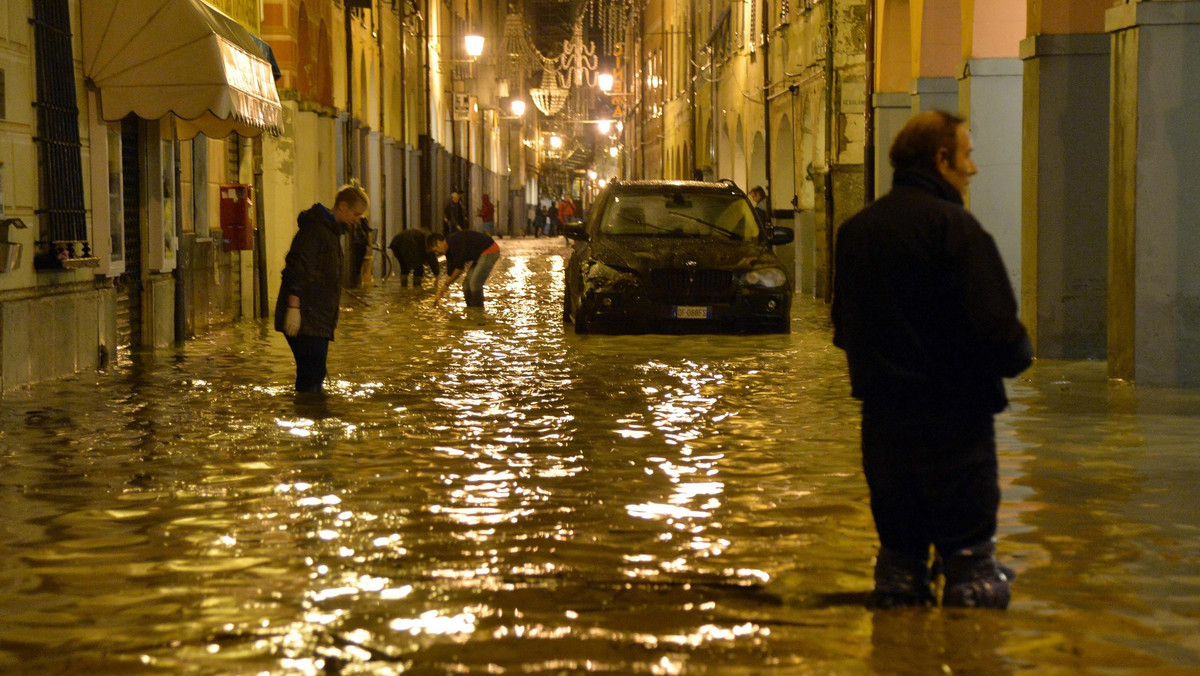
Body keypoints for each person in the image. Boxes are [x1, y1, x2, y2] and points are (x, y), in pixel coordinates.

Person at [831, 110, 1032, 610]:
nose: (974, 169)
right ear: (941, 160)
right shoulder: (958, 231)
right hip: (956, 430)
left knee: (898, 576)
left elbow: (844, 330)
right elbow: (999, 330)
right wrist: (1018, 355)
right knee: (973, 584)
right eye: (967, 155)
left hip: (884, 429)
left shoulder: (856, 232)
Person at [274, 182, 370, 393]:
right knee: (312, 377)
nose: (357, 220)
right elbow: (296, 268)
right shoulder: (315, 230)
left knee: (313, 375)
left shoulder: (331, 232)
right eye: (356, 214)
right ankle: (310, 417)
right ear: (342, 206)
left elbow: (319, 270)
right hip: (307, 317)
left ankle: (309, 415)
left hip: (317, 318)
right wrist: (294, 308)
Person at [430, 229, 500, 308]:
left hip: (490, 250)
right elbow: (450, 273)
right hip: (479, 255)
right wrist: (442, 291)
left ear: (439, 243)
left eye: (436, 250)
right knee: (466, 285)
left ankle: (477, 312)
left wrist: (446, 284)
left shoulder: (455, 243)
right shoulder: (448, 251)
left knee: (475, 284)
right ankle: (470, 310)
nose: (436, 253)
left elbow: (459, 269)